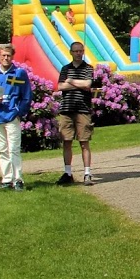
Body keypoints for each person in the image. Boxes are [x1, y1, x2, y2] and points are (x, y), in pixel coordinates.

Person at [0, 44, 33, 191]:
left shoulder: (19, 73)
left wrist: (18, 111)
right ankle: (7, 178)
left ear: (12, 56)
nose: (6, 58)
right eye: (3, 55)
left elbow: (26, 95)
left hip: (11, 116)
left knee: (14, 149)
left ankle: (18, 179)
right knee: (2, 149)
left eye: (8, 55)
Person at [55, 41, 97, 185]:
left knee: (84, 141)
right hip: (66, 109)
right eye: (75, 51)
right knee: (66, 141)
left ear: (83, 51)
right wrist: (78, 84)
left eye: (80, 51)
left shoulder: (88, 68)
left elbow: (87, 84)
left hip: (83, 109)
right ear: (71, 52)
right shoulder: (65, 68)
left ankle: (87, 173)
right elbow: (60, 86)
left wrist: (71, 81)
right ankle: (68, 173)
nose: (78, 53)